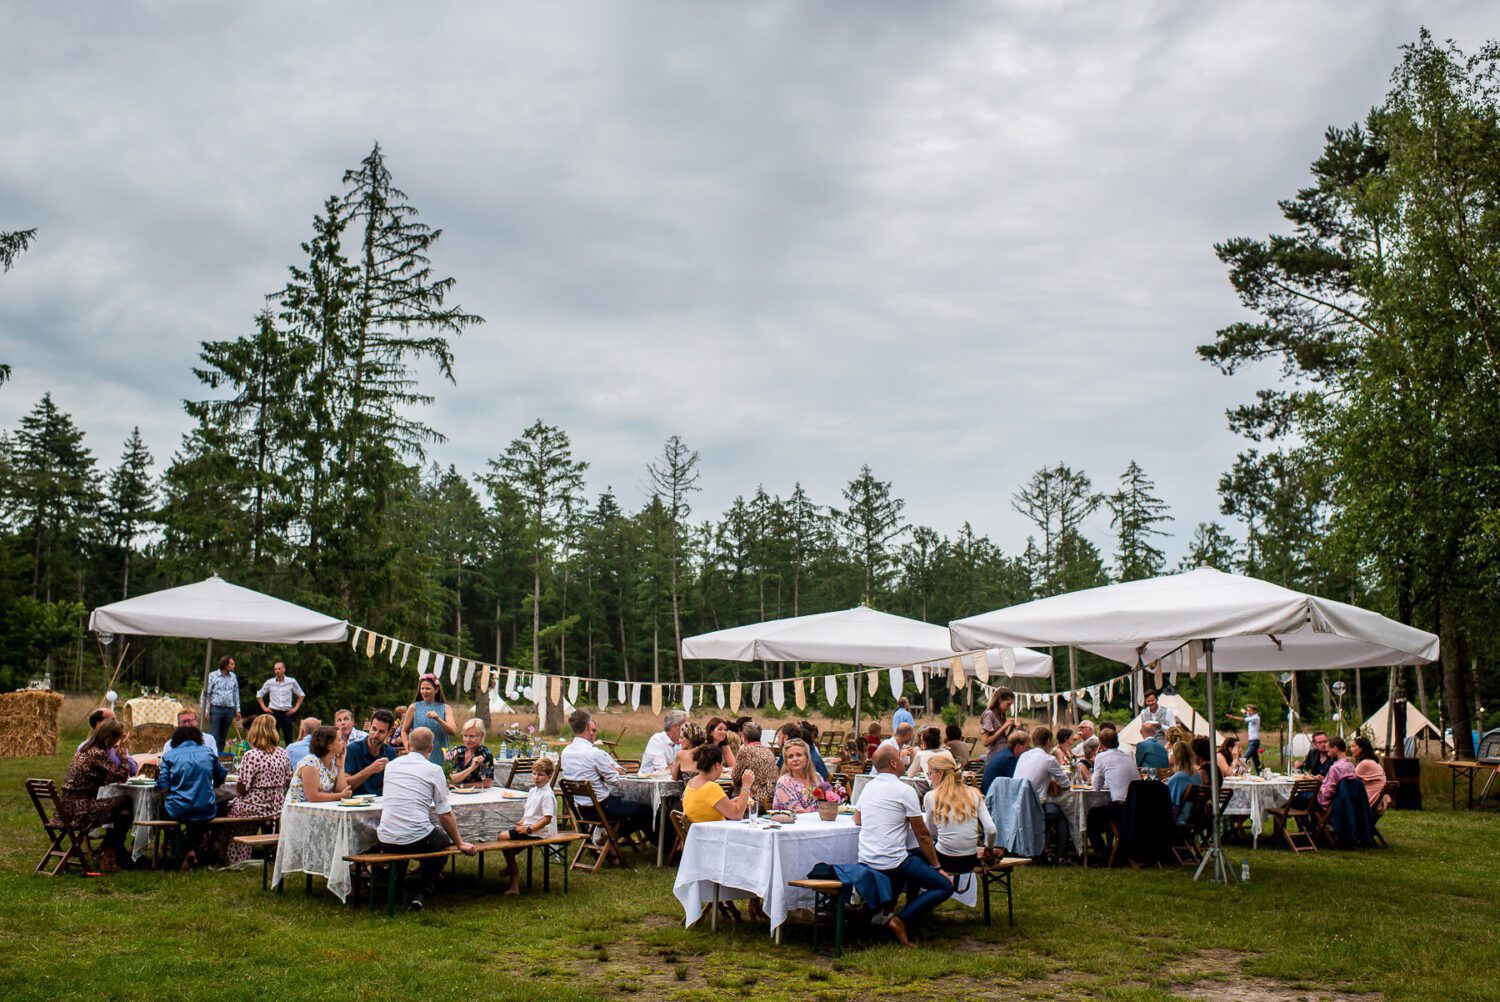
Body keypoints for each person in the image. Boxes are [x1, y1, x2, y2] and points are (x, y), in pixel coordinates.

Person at [855, 745, 952, 946]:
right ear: (893, 763)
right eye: (900, 759)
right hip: (893, 860)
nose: (903, 762)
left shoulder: (869, 787)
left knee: (915, 855)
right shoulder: (904, 790)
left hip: (867, 857)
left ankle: (892, 909)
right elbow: (923, 834)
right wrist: (937, 867)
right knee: (944, 886)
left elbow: (858, 819)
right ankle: (902, 919)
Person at [375, 727, 477, 910]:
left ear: (408, 745)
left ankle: (398, 893)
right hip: (416, 837)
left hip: (385, 838)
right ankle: (422, 892)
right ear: (431, 748)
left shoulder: (391, 765)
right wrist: (460, 842)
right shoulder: (434, 770)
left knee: (407, 843)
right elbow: (444, 813)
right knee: (442, 842)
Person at [560, 709, 654, 847]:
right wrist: (615, 771)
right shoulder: (593, 754)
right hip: (604, 808)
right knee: (646, 810)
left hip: (583, 809)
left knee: (633, 808)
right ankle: (653, 843)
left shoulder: (566, 752)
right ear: (587, 727)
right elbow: (615, 780)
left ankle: (609, 839)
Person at [60, 718, 136, 871]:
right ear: (110, 737)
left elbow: (108, 778)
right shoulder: (97, 754)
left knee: (123, 813)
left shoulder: (85, 750)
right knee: (127, 801)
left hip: (66, 808)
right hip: (80, 810)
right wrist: (122, 752)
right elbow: (121, 775)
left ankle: (112, 852)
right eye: (118, 737)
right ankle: (111, 852)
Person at [222, 714, 292, 867]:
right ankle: (266, 852)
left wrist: (241, 791)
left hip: (256, 805)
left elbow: (242, 787)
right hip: (276, 806)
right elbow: (288, 779)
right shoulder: (283, 753)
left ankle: (235, 855)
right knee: (240, 808)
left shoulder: (251, 755)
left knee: (229, 810)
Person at [155, 724, 226, 869]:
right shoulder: (208, 752)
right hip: (206, 808)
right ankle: (200, 848)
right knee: (220, 804)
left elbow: (162, 785)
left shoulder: (169, 756)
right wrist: (211, 786)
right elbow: (221, 776)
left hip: (178, 809)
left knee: (162, 806)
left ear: (175, 740)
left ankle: (181, 849)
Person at [923, 751, 997, 877]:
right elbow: (991, 830)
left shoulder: (931, 796)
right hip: (970, 859)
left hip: (944, 859)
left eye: (930, 773)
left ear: (940, 773)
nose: (930, 778)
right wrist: (989, 848)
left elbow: (930, 832)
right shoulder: (974, 793)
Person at [494, 757, 558, 895]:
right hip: (529, 828)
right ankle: (514, 883)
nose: (536, 777)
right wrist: (523, 820)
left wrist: (528, 828)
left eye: (540, 775)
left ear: (549, 776)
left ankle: (512, 871)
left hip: (537, 832)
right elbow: (529, 811)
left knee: (502, 838)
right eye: (534, 773)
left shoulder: (547, 794)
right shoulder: (533, 790)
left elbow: (547, 819)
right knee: (508, 847)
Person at [1014, 725, 1071, 853]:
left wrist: (1049, 781)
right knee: (1061, 814)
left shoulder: (1024, 755)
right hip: (1035, 805)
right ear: (1049, 741)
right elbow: (1066, 785)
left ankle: (1046, 846)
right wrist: (1054, 784)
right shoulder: (1049, 759)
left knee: (1051, 808)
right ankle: (1062, 853)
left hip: (1018, 802)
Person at [1088, 725, 1137, 859]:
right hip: (1136, 806)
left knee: (1090, 817)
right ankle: (1113, 849)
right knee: (1106, 810)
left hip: (1121, 808)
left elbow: (1096, 787)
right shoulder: (1127, 756)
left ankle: (1105, 855)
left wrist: (1097, 757)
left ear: (1101, 744)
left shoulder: (1101, 757)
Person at [682, 743, 757, 822]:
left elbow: (705, 808)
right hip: (714, 832)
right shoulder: (710, 787)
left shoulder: (692, 781)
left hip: (699, 831)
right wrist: (746, 785)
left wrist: (731, 802)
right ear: (717, 765)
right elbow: (737, 814)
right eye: (722, 764)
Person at [402, 673, 457, 766]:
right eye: (422, 688)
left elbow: (453, 732)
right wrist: (407, 747)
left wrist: (438, 719)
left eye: (428, 689)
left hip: (440, 754)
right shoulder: (413, 707)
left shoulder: (445, 708)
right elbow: (403, 730)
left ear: (436, 689)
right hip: (418, 755)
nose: (424, 691)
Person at [288, 725, 351, 804]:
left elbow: (341, 790)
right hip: (301, 811)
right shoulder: (310, 763)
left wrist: (341, 766)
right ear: (329, 746)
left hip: (321, 810)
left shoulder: (334, 761)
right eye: (339, 740)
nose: (343, 742)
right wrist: (340, 796)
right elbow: (313, 797)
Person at [344, 709, 399, 796]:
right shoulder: (352, 749)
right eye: (374, 729)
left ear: (388, 733)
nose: (376, 735)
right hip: (357, 802)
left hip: (381, 802)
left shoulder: (390, 752)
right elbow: (345, 785)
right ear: (369, 727)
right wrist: (370, 769)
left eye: (381, 731)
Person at [772, 738, 830, 812]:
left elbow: (826, 803)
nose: (795, 759)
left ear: (807, 758)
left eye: (799, 755)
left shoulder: (817, 777)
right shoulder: (784, 782)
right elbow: (798, 812)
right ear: (786, 762)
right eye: (790, 756)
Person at [75, 707, 138, 774]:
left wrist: (123, 752)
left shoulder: (116, 744)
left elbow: (133, 770)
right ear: (99, 724)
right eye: (112, 720)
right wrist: (123, 755)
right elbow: (119, 776)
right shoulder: (91, 749)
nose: (116, 723)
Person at [256, 660, 305, 745]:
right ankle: (274, 756)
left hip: (287, 713)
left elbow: (301, 694)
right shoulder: (270, 682)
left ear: (284, 669)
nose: (277, 671)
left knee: (289, 738)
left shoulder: (291, 681)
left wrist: (295, 709)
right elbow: (259, 694)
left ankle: (288, 757)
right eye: (275, 669)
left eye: (279, 669)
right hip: (274, 713)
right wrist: (264, 707)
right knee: (273, 738)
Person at [733, 721, 778, 808]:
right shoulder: (768, 751)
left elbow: (735, 777)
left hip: (753, 798)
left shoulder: (745, 751)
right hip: (769, 797)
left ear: (743, 738)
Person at [202, 655, 242, 750]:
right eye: (232, 664)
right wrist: (206, 710)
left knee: (222, 737)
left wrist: (238, 710)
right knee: (214, 736)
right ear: (225, 665)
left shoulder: (233, 677)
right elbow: (206, 693)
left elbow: (236, 693)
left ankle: (219, 756)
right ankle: (211, 755)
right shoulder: (213, 675)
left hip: (229, 710)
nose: (234, 666)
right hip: (216, 709)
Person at [449, 719, 496, 787]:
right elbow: (450, 779)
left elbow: (487, 784)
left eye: (472, 736)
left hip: (476, 795)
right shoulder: (457, 751)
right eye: (465, 736)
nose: (467, 740)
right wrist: (470, 769)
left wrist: (459, 786)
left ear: (481, 736)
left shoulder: (484, 754)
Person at [1351, 737, 1391, 813]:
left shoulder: (1365, 764)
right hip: (1378, 801)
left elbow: (1350, 780)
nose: (1350, 749)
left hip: (1370, 801)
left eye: (1353, 746)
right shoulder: (1372, 762)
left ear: (1361, 748)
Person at [641, 710, 687, 775]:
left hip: (670, 782)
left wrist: (673, 767)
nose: (688, 729)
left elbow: (687, 767)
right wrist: (676, 767)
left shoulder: (682, 741)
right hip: (647, 783)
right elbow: (664, 770)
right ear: (675, 727)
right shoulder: (657, 740)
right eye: (685, 726)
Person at [1316, 737, 1355, 809]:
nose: (1328, 754)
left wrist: (1319, 787)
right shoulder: (1350, 766)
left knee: (1297, 799)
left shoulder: (1335, 768)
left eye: (1328, 751)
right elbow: (1338, 784)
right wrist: (1325, 780)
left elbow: (1327, 793)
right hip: (1344, 803)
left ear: (1335, 749)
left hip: (1328, 804)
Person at [1165, 740, 1199, 822]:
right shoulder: (1197, 775)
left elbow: (1166, 800)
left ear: (1175, 756)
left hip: (1177, 818)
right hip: (1190, 816)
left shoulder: (1178, 778)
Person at [980, 687, 1016, 759]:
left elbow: (1003, 740)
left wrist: (1012, 728)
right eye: (1008, 704)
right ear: (1000, 700)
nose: (1009, 708)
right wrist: (1004, 727)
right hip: (994, 757)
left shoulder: (1002, 714)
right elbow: (986, 742)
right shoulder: (989, 714)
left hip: (1003, 754)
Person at [1226, 704, 1262, 771]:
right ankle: (1260, 773)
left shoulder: (1255, 717)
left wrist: (1233, 717)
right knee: (1256, 760)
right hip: (1253, 741)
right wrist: (1243, 711)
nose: (1249, 712)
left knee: (1244, 758)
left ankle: (1239, 772)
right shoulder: (1252, 716)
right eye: (1248, 711)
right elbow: (1246, 714)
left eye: (1250, 710)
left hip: (1254, 742)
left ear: (1254, 711)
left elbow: (1243, 719)